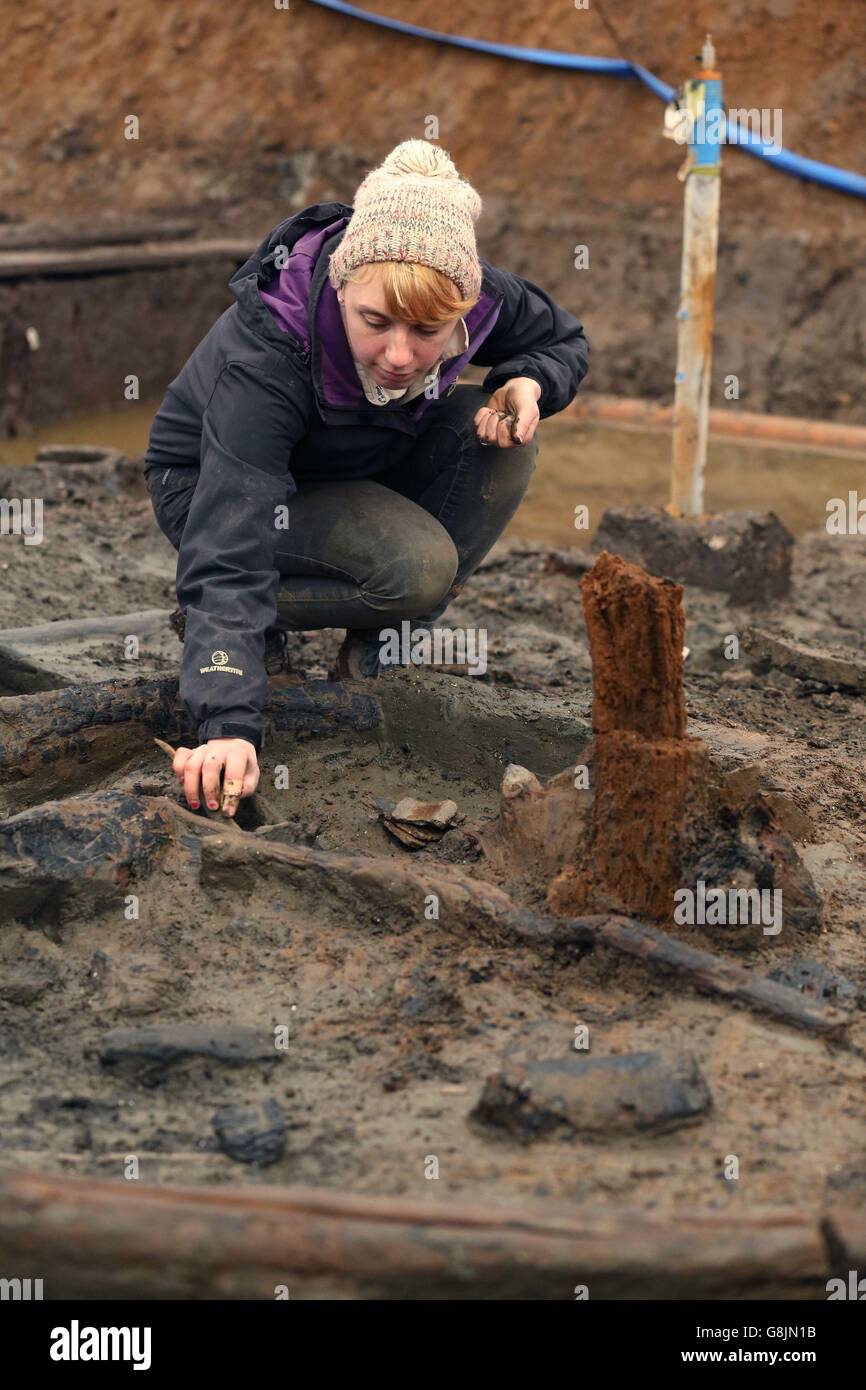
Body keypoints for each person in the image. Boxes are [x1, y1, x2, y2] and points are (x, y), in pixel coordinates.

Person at [143, 139, 589, 817]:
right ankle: (240, 630)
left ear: (465, 307)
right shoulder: (270, 356)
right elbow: (231, 533)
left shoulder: (476, 292)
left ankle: (380, 653)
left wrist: (528, 381)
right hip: (213, 490)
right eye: (374, 323)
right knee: (414, 569)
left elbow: (563, 341)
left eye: (429, 330)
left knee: (501, 437)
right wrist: (227, 721)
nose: (400, 355)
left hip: (355, 461)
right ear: (342, 286)